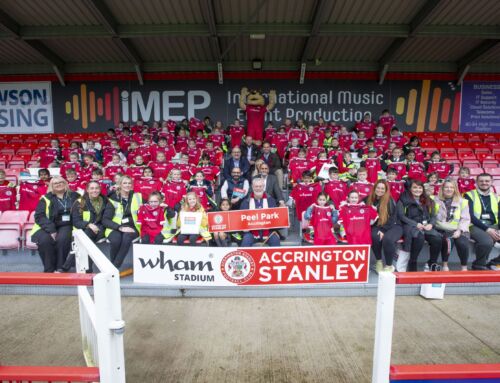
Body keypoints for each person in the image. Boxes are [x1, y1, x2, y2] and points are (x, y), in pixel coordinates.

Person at [30, 177, 80, 273]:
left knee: (62, 240)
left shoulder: (75, 196)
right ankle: (49, 270)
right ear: (51, 186)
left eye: (61, 182)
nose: (58, 184)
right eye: (55, 183)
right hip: (48, 225)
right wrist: (52, 230)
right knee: (45, 241)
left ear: (65, 183)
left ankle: (60, 268)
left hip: (67, 224)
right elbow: (39, 216)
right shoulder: (45, 198)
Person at [397, 180, 442, 272]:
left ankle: (432, 263)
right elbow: (401, 216)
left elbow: (433, 216)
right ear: (410, 189)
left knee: (437, 239)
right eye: (415, 187)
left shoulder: (428, 199)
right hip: (410, 225)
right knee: (419, 237)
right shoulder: (403, 199)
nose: (417, 190)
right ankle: (413, 262)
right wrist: (416, 224)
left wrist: (431, 224)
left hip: (426, 226)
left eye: (420, 188)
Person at [67, 180, 109, 272]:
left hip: (101, 228)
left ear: (100, 189)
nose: (95, 190)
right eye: (92, 188)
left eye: (97, 188)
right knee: (87, 236)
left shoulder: (105, 200)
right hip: (83, 229)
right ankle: (88, 268)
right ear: (87, 190)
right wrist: (88, 225)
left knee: (86, 237)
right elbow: (76, 222)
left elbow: (106, 218)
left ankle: (68, 265)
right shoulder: (80, 202)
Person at [103, 175, 142, 268]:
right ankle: (113, 267)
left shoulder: (137, 196)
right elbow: (105, 220)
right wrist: (120, 227)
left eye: (129, 183)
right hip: (116, 226)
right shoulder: (112, 198)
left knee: (127, 237)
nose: (127, 185)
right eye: (124, 183)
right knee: (116, 240)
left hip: (133, 226)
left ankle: (114, 267)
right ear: (119, 184)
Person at [464, 173, 500, 270]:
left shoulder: (496, 197)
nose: (484, 183)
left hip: (494, 225)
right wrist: (487, 229)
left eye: (487, 181)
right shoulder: (469, 195)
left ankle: (494, 262)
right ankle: (479, 265)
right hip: (474, 225)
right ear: (476, 182)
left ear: (492, 182)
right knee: (486, 242)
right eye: (481, 181)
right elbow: (470, 216)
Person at [366, 180, 403, 272]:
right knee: (374, 236)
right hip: (378, 225)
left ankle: (389, 265)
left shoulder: (390, 200)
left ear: (386, 190)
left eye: (383, 188)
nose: (380, 190)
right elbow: (357, 205)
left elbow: (393, 219)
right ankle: (378, 261)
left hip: (394, 226)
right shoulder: (368, 199)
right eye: (378, 188)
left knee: (388, 239)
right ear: (374, 188)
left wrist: (383, 230)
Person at [434, 181, 470, 271]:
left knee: (462, 243)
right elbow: (432, 216)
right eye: (446, 187)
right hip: (441, 228)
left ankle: (464, 267)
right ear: (442, 189)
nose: (449, 189)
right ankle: (445, 265)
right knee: (448, 241)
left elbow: (465, 219)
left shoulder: (463, 202)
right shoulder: (435, 200)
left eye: (452, 187)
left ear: (455, 189)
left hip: (459, 229)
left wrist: (459, 230)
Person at [240, 178, 281, 247]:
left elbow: (276, 219)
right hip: (251, 232)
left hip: (268, 232)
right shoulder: (246, 201)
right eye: (256, 186)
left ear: (263, 187)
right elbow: (240, 219)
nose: (258, 188)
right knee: (246, 239)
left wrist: (283, 221)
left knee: (275, 239)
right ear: (252, 187)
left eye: (260, 186)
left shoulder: (271, 200)